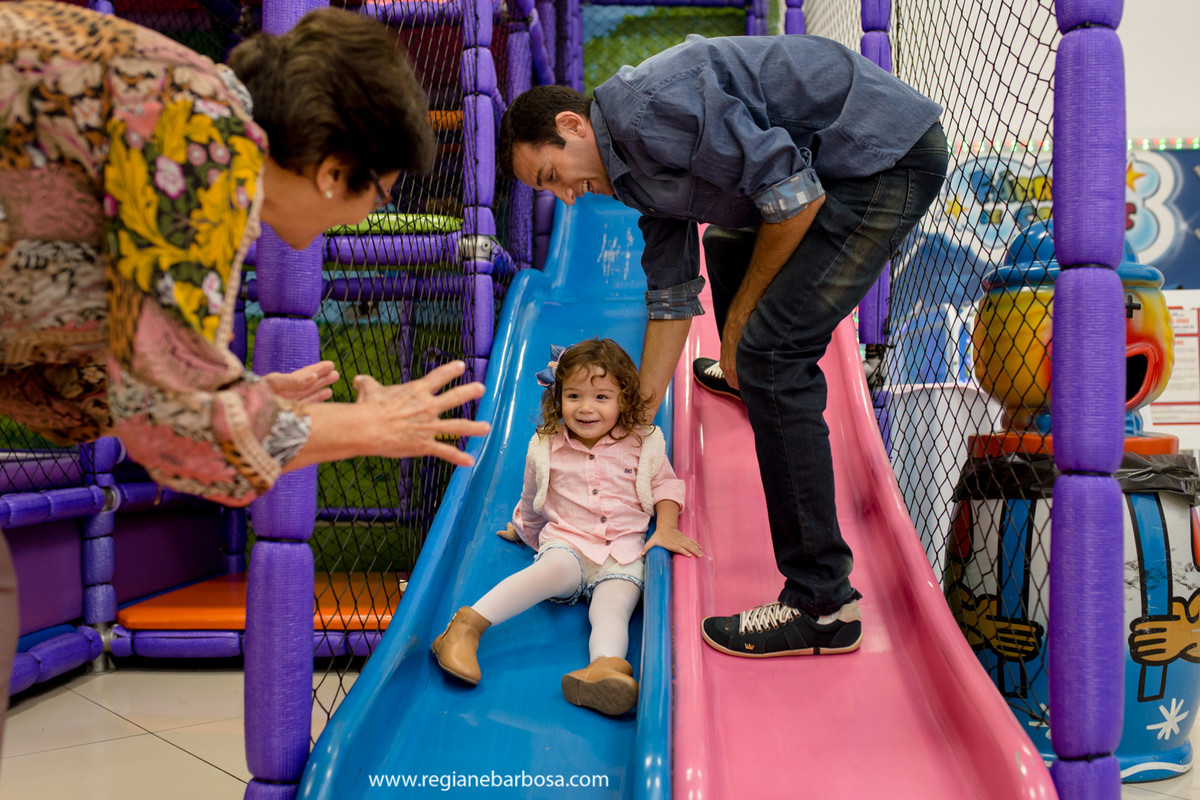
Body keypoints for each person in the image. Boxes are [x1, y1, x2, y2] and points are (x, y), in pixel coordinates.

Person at [0, 0, 489, 741]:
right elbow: (172, 422)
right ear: (332, 170)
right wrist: (363, 425)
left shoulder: (184, 116)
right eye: (378, 193)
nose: (361, 220)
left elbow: (117, 378)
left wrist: (242, 395)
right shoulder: (202, 129)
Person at [498, 34, 949, 658]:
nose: (567, 195)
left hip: (880, 158)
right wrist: (629, 418)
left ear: (572, 125)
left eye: (554, 175)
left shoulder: (644, 111)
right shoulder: (629, 171)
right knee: (729, 244)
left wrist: (737, 328)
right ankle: (748, 378)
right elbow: (671, 294)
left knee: (770, 354)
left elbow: (793, 198)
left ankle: (823, 606)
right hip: (838, 162)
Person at [431, 338, 701, 715]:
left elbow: (666, 484)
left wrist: (666, 526)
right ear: (558, 399)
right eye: (574, 396)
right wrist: (522, 529)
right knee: (544, 573)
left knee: (613, 608)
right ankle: (466, 626)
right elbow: (533, 498)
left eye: (601, 397)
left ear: (624, 399)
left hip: (623, 553)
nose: (586, 408)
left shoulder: (643, 442)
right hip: (569, 543)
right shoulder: (546, 447)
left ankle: (602, 668)